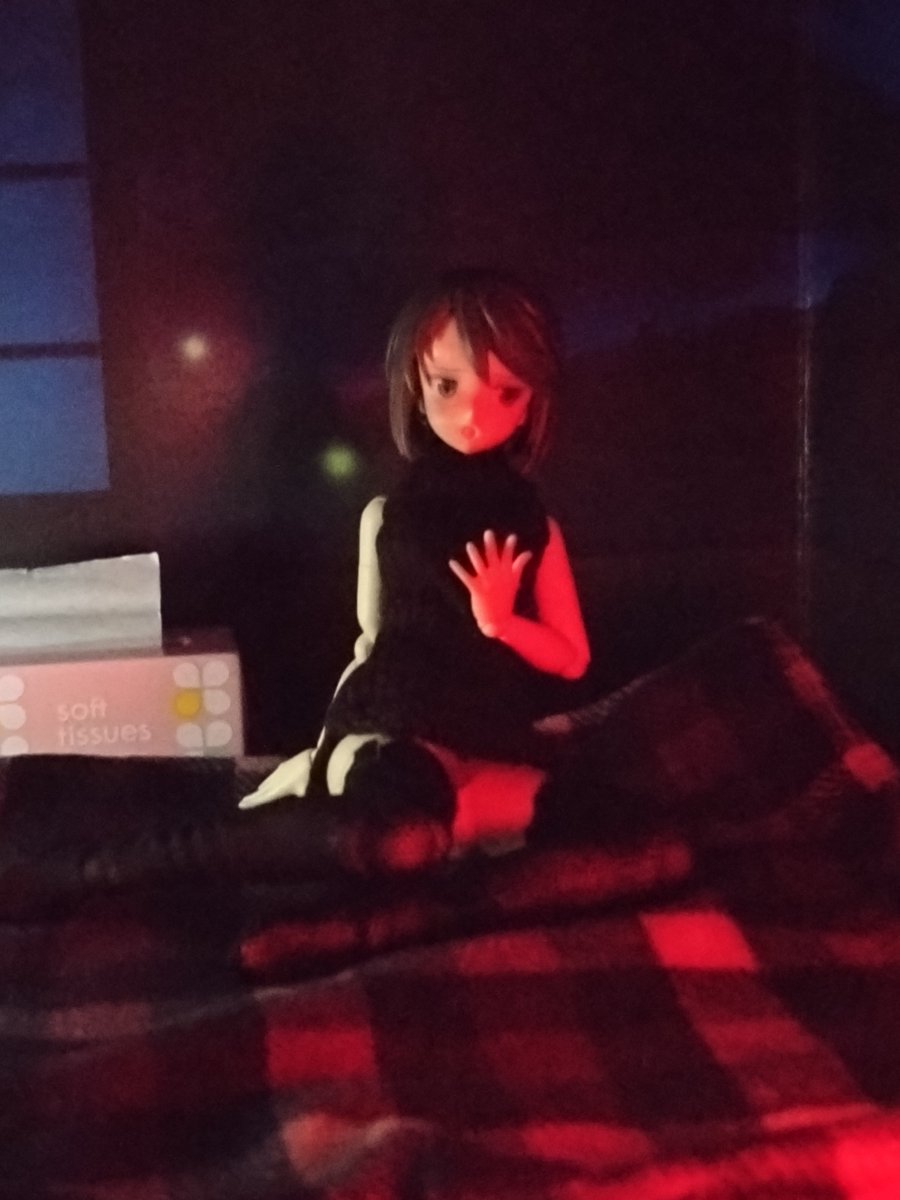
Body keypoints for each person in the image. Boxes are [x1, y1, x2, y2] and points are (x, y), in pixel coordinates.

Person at [0, 269, 593, 913]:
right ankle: (98, 869)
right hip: (398, 729)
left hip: (489, 734)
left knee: (565, 820)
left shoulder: (536, 528)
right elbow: (371, 643)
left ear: (533, 400)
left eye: (505, 392)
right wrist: (333, 742)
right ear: (415, 386)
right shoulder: (389, 517)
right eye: (446, 385)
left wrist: (503, 624)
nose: (473, 415)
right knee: (398, 834)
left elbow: (572, 657)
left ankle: (355, 818)